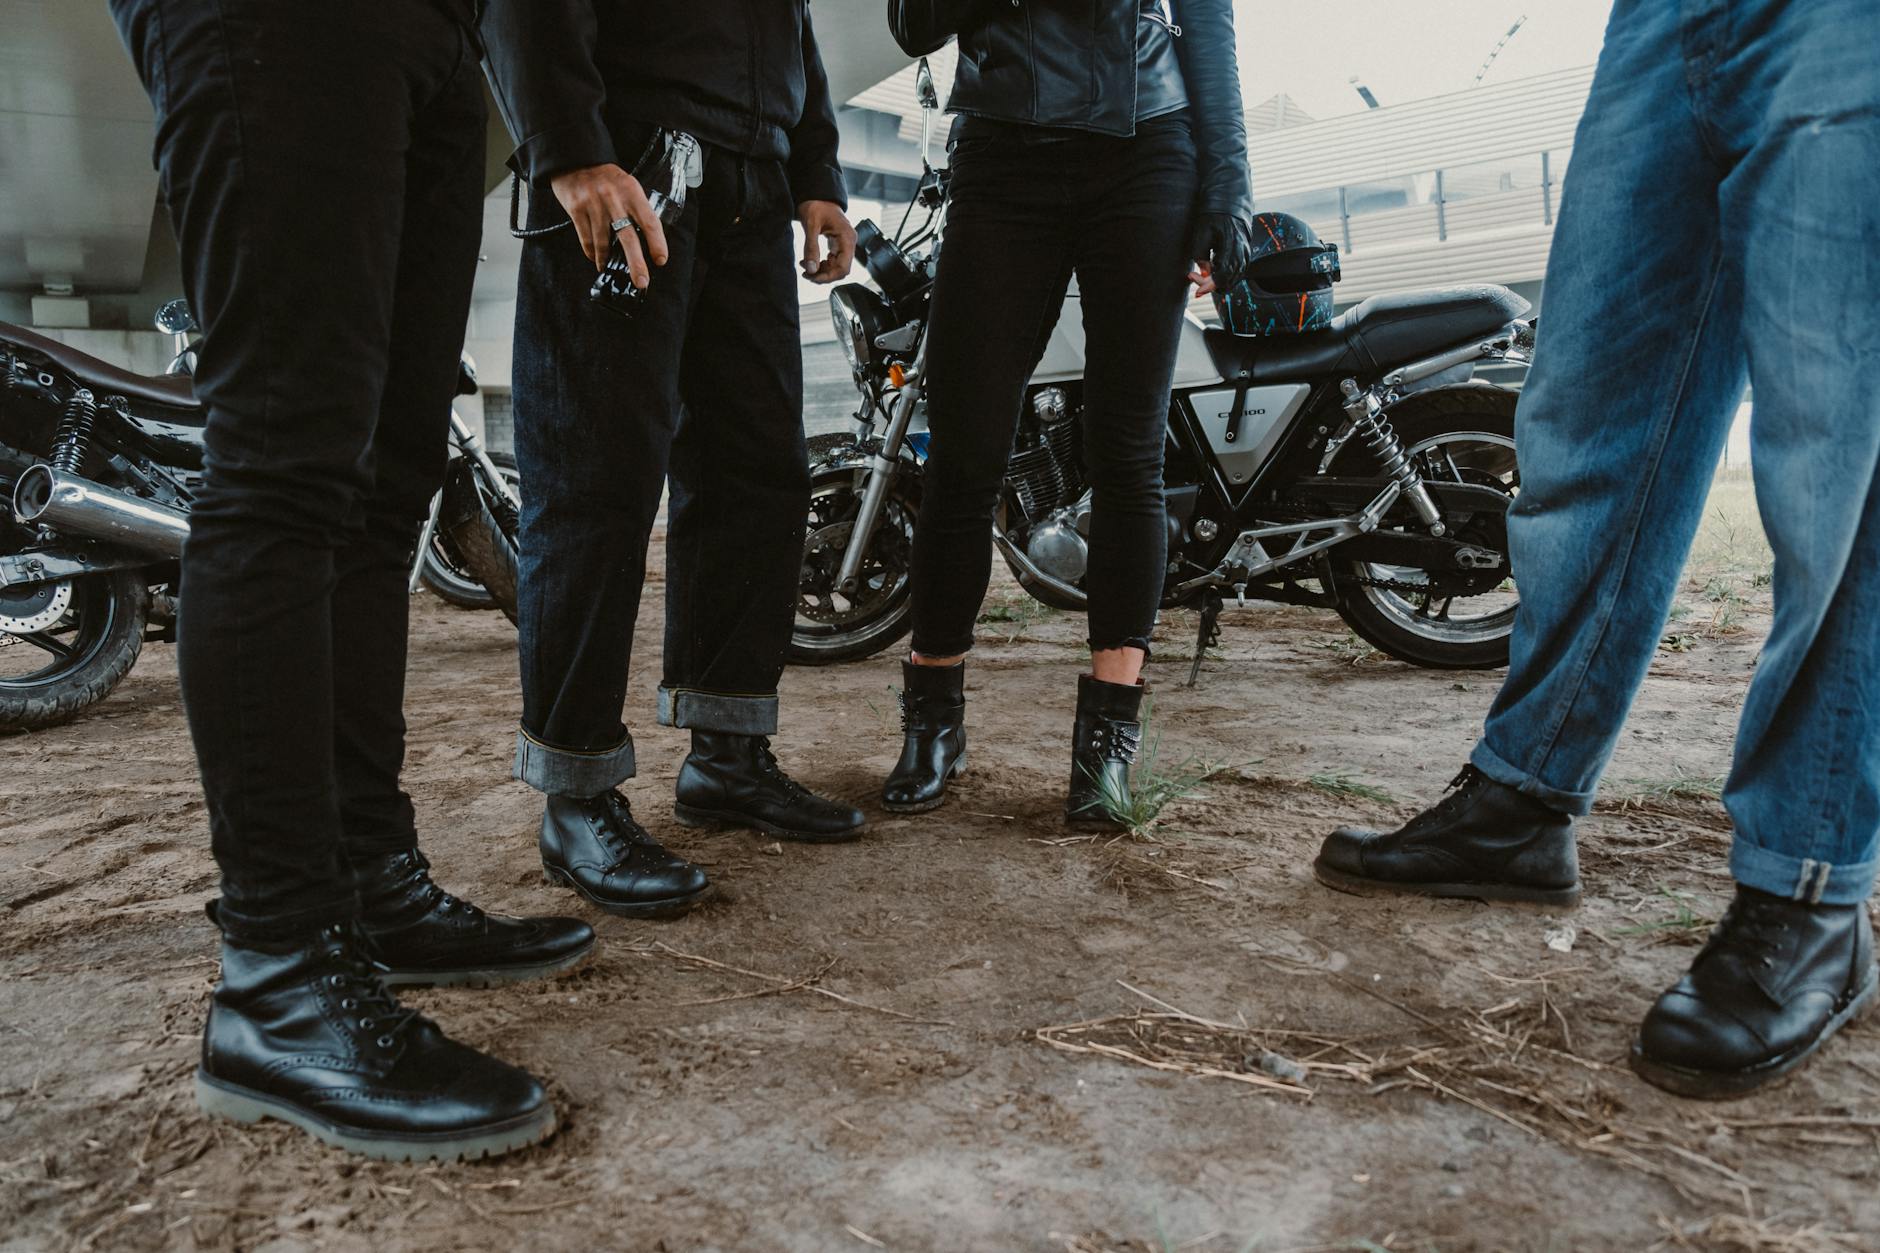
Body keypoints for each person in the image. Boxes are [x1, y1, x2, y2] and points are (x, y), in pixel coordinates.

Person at [1313, 0, 1880, 1098]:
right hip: (1659, 24)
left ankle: (1809, 882)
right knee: (1582, 421)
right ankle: (1521, 800)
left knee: (1834, 446)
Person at [105, 0, 594, 1160]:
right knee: (285, 457)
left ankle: (370, 879)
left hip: (437, 35)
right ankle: (279, 974)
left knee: (384, 486)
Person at [478, 0, 866, 920]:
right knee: (594, 481)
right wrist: (566, 145)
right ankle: (576, 795)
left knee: (757, 475)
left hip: (754, 177)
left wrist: (815, 169)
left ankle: (727, 755)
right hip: (629, 160)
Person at [881, 0, 1253, 823]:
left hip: (1148, 149)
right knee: (964, 453)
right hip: (1002, 153)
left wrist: (1229, 183)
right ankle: (933, 721)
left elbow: (1207, 23)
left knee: (1128, 454)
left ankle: (1106, 748)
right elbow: (913, 22)